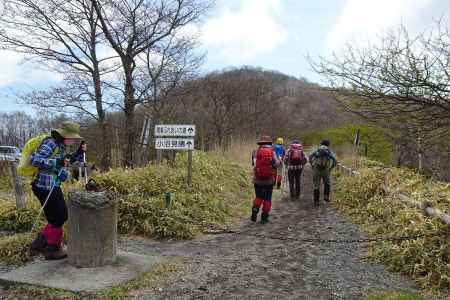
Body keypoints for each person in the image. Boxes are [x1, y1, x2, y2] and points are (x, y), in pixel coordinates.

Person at [30, 122, 83, 260]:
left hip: (52, 185)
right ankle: (52, 250)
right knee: (58, 218)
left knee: (59, 216)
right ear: (64, 135)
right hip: (43, 186)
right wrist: (56, 163)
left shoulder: (61, 146)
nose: (74, 140)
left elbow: (65, 161)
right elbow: (35, 160)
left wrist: (78, 153)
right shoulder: (51, 143)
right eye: (72, 137)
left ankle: (40, 243)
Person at [251, 135, 280, 224]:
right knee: (267, 198)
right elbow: (276, 165)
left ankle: (255, 209)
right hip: (269, 180)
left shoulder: (255, 152)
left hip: (257, 179)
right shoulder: (272, 152)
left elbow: (254, 164)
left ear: (260, 143)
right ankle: (264, 217)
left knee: (259, 196)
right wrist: (279, 161)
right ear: (269, 143)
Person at [308, 139, 337, 205]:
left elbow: (310, 156)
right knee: (327, 184)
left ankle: (316, 201)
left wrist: (312, 164)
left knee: (316, 186)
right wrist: (330, 168)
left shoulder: (317, 150)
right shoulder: (329, 151)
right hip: (326, 170)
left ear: (321, 144)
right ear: (328, 145)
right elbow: (335, 161)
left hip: (316, 169)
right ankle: (326, 198)